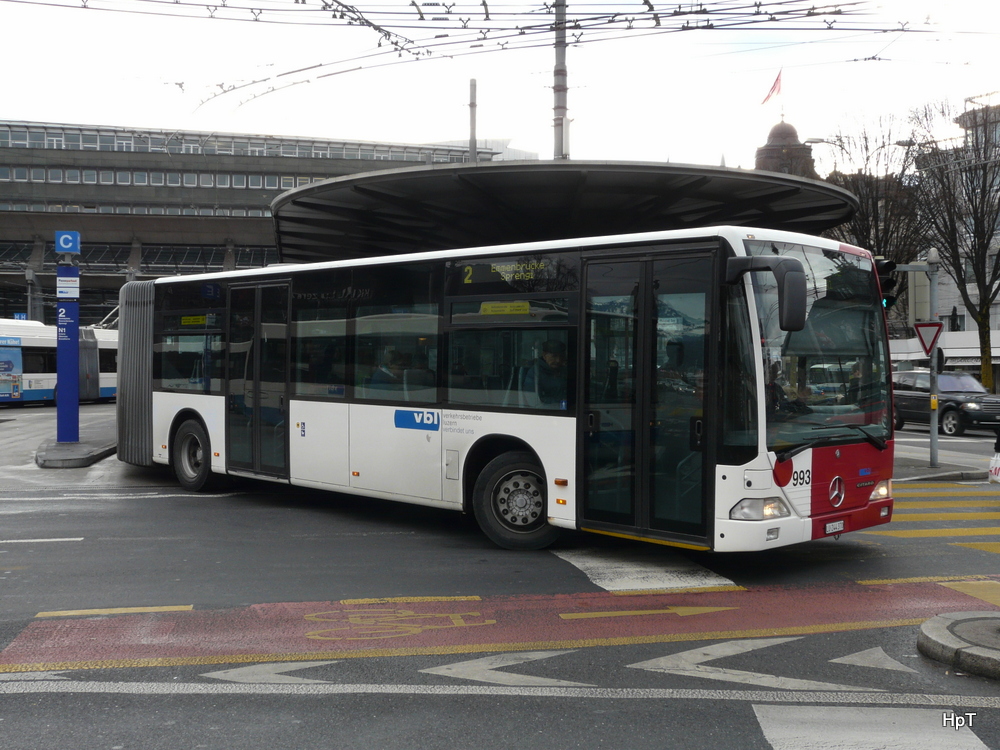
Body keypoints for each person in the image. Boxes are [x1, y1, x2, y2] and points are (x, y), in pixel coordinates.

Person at [523, 339, 567, 405]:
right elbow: (534, 401)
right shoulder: (535, 373)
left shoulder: (563, 370)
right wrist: (561, 402)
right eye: (554, 356)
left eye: (561, 356)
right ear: (544, 355)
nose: (558, 360)